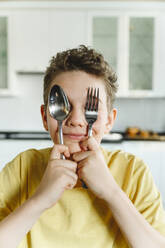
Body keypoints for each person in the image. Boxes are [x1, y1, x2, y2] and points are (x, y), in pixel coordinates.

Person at [0, 45, 165, 248]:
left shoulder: (133, 172)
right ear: (45, 117)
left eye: (90, 107)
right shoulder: (21, 168)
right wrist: (40, 199)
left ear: (109, 121)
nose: (76, 120)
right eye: (64, 106)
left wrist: (111, 191)